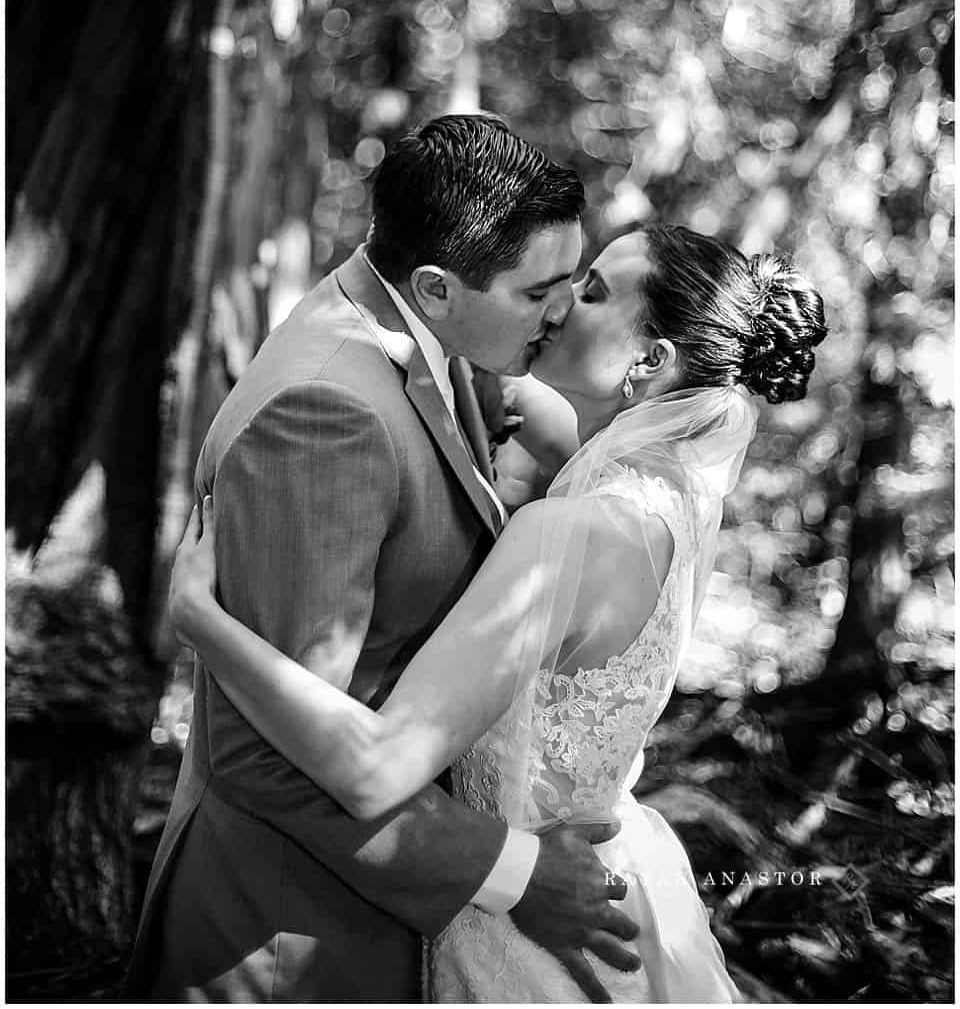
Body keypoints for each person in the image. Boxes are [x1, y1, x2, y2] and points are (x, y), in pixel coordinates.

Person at [168, 224, 828, 1002]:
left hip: (517, 926)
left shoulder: (561, 537)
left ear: (650, 362)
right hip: (625, 882)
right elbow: (522, 412)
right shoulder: (678, 495)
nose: (556, 303)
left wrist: (200, 617)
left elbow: (379, 766)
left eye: (589, 291)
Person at [127, 114, 643, 1004]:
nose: (561, 311)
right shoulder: (328, 412)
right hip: (288, 932)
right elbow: (267, 754)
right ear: (437, 286)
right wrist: (518, 872)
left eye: (572, 282)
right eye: (538, 293)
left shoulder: (420, 333)